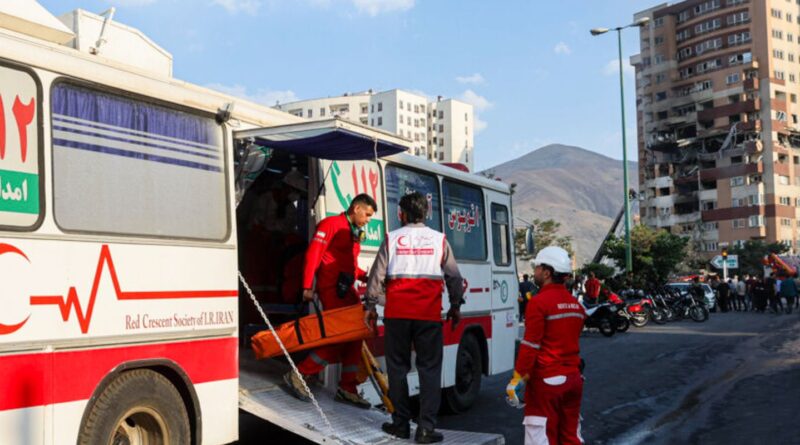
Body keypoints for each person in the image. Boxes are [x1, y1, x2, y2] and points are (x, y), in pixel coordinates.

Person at [365, 192, 464, 444]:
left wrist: (370, 305)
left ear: (402, 214)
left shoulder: (392, 238)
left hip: (397, 315)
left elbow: (376, 275)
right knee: (429, 370)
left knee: (397, 370)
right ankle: (425, 429)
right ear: (426, 213)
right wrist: (455, 306)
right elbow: (453, 277)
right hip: (428, 317)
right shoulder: (439, 240)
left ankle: (400, 425)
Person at [283, 193, 377, 408]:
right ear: (357, 209)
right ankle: (299, 374)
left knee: (355, 337)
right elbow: (314, 254)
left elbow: (348, 264)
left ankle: (347, 388)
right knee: (338, 338)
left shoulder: (350, 231)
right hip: (333, 291)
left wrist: (366, 276)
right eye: (368, 215)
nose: (368, 220)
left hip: (346, 291)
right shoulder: (331, 224)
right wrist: (307, 286)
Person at [506, 246, 586, 445]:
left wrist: (517, 379)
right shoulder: (575, 305)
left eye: (538, 268)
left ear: (547, 272)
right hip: (574, 380)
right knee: (570, 436)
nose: (535, 272)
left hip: (547, 382)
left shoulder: (539, 302)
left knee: (540, 436)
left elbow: (530, 346)